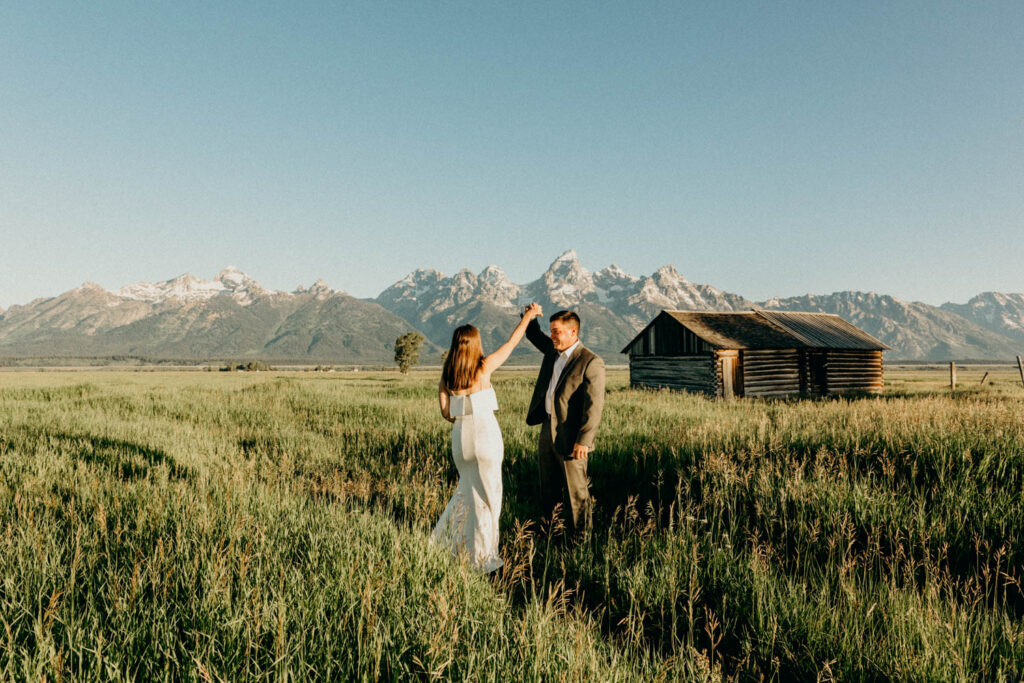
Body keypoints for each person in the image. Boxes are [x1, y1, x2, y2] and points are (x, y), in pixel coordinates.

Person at [431, 302, 544, 572]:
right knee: (490, 497)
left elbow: (446, 413)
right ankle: (485, 557)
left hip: (461, 439)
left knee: (465, 494)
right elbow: (512, 342)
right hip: (485, 437)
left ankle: (447, 545)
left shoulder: (447, 376)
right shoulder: (484, 367)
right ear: (475, 344)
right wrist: (528, 316)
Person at [524, 307, 605, 534]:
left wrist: (584, 441)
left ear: (573, 331)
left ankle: (582, 541)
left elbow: (594, 406)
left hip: (573, 436)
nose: (552, 336)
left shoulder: (590, 362)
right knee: (548, 488)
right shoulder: (553, 351)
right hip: (547, 429)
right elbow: (533, 335)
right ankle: (550, 534)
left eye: (556, 332)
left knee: (576, 492)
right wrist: (529, 316)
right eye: (551, 331)